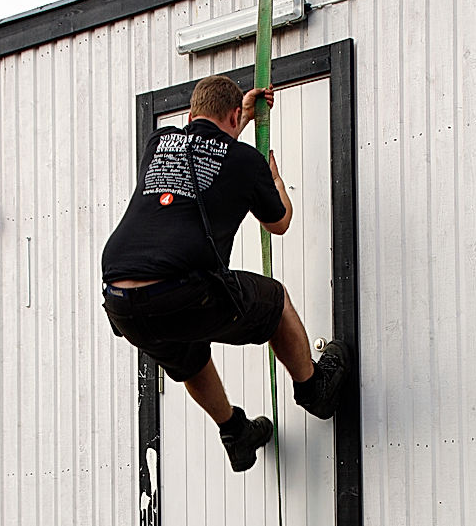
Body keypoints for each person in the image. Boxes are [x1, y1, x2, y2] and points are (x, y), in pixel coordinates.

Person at [102, 74, 349, 472]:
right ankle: (314, 388)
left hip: (120, 299)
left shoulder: (159, 143)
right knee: (275, 301)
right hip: (180, 289)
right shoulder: (245, 161)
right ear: (236, 115)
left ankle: (236, 432)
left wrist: (238, 120)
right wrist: (273, 177)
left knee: (187, 354)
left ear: (190, 113)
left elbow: (203, 144)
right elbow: (279, 222)